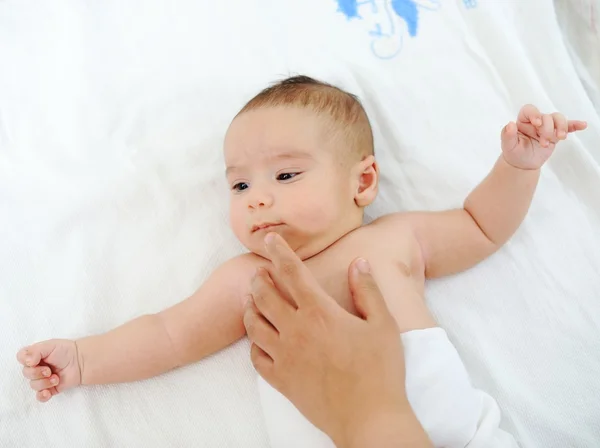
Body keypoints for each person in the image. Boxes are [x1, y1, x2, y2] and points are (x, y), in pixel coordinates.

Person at [17, 76, 586, 447]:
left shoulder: (394, 240)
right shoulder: (249, 280)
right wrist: (85, 360)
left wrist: (518, 167)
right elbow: (168, 335)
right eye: (239, 184)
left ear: (362, 181)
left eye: (285, 174)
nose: (257, 197)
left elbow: (481, 226)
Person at [244, 231, 432, 447]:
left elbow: (477, 226)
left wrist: (363, 411)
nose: (257, 199)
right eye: (239, 193)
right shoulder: (255, 274)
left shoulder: (397, 234)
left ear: (361, 194)